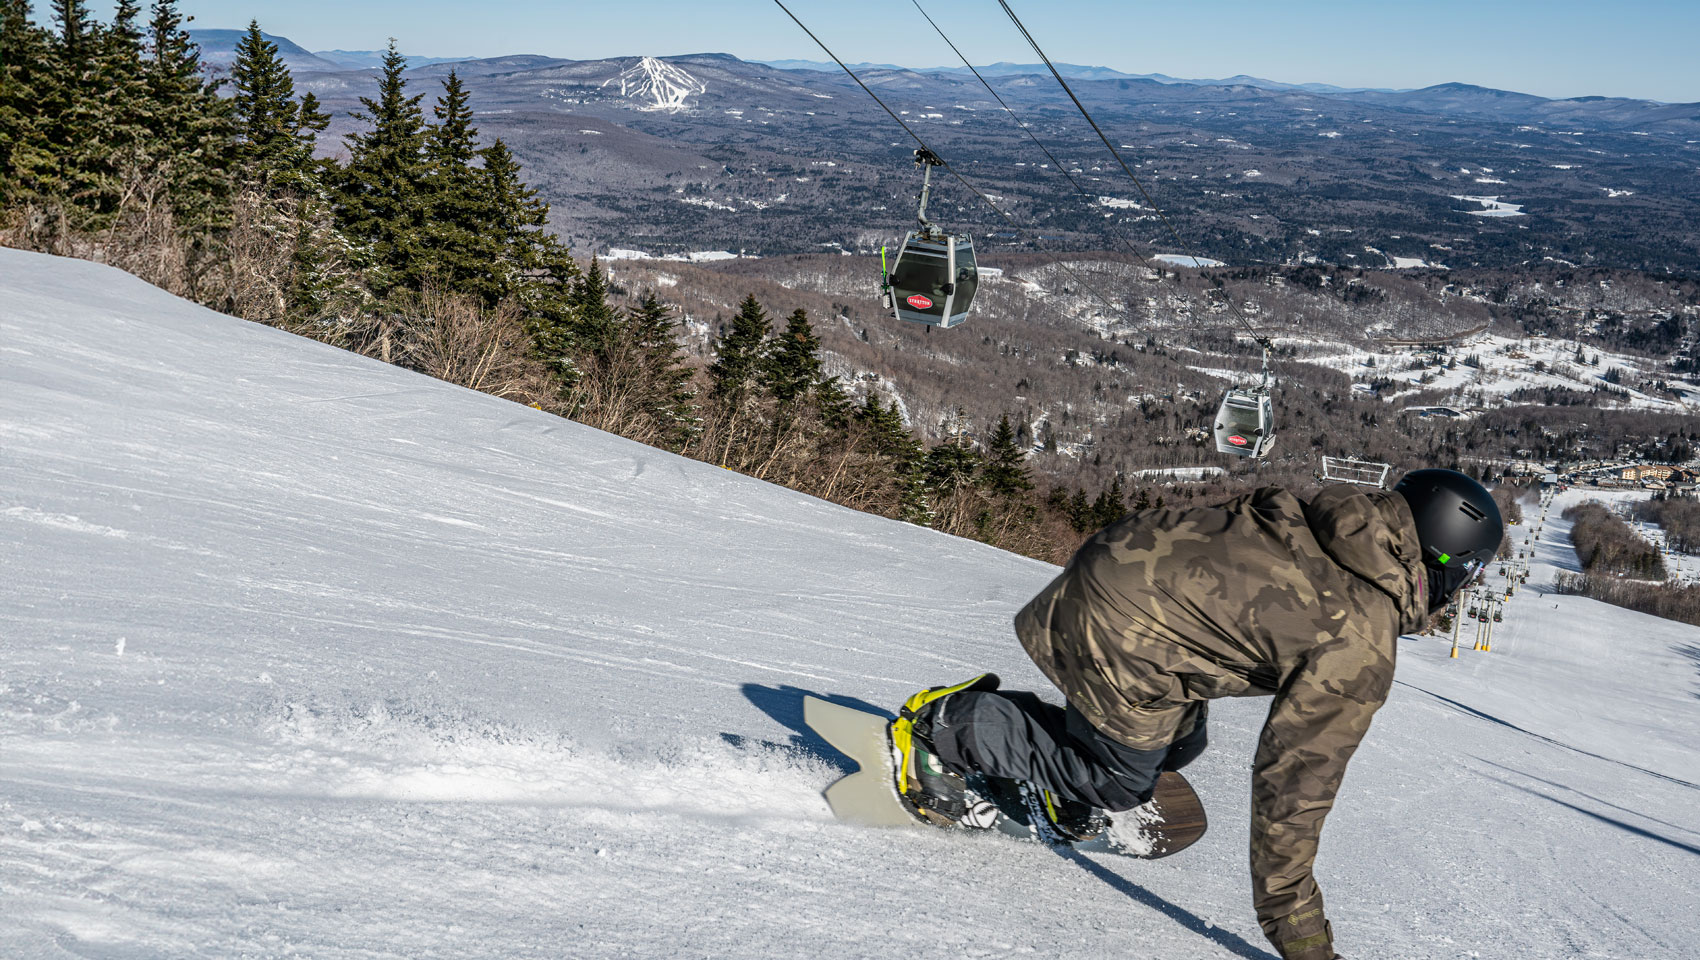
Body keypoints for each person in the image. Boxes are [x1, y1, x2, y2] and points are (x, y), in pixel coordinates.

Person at [891, 469, 1504, 960]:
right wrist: (1299, 932)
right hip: (1127, 632)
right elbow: (1293, 787)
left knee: (1181, 745)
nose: (1470, 587)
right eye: (1472, 570)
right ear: (1442, 557)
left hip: (1121, 568)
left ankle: (1059, 763)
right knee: (1121, 782)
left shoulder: (1330, 520)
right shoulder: (1359, 639)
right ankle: (945, 727)